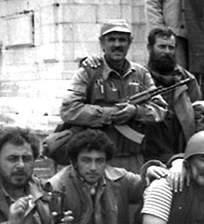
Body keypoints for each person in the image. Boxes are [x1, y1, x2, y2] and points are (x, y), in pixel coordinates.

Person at [59, 20, 167, 173]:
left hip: (133, 159)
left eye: (122, 40)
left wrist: (136, 111)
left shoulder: (141, 74)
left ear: (129, 43)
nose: (117, 45)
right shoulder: (88, 72)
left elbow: (160, 109)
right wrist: (109, 114)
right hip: (96, 161)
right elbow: (69, 109)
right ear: (102, 43)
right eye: (111, 39)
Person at [141, 27, 202, 163]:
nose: (167, 52)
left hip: (180, 153)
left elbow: (199, 115)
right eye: (162, 47)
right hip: (147, 153)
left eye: (171, 47)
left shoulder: (187, 80)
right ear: (150, 48)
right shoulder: (139, 78)